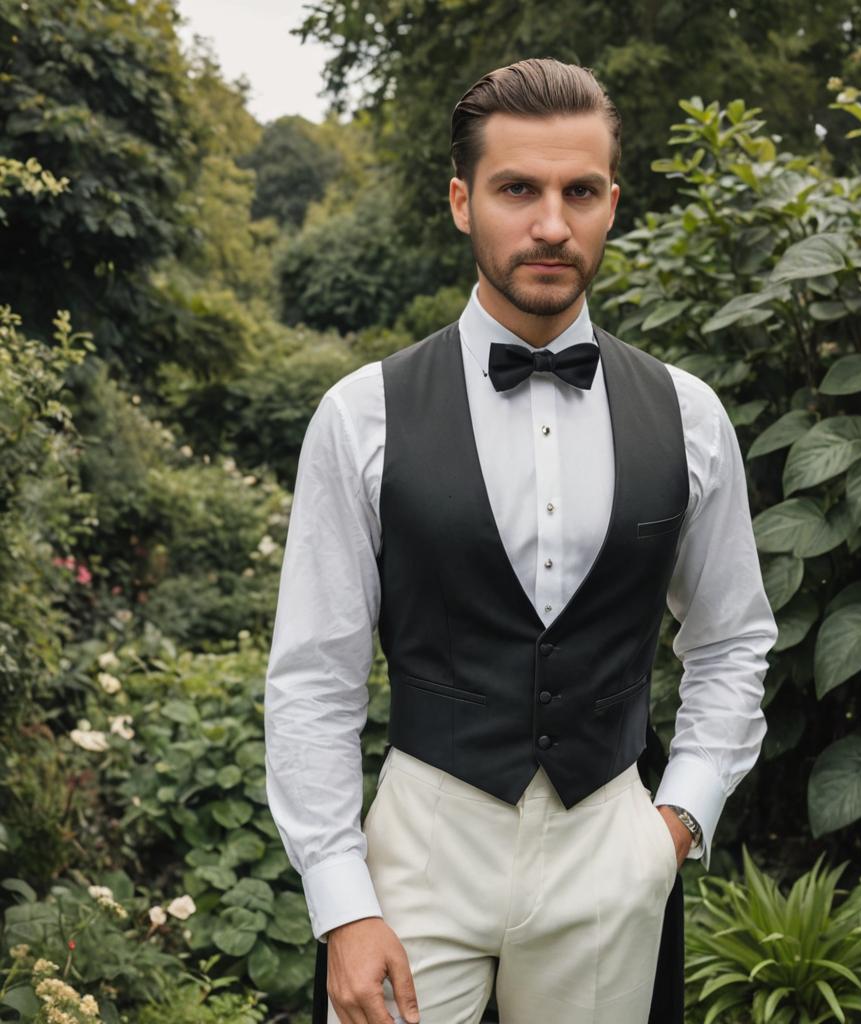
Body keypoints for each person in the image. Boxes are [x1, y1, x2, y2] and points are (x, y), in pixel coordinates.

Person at [264, 57, 777, 1024]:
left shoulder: (690, 416)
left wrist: (675, 822)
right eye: (517, 190)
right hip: (422, 846)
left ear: (612, 203)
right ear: (463, 202)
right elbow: (314, 677)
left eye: (579, 191)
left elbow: (732, 637)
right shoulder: (361, 415)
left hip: (608, 847)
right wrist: (341, 904)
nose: (551, 223)